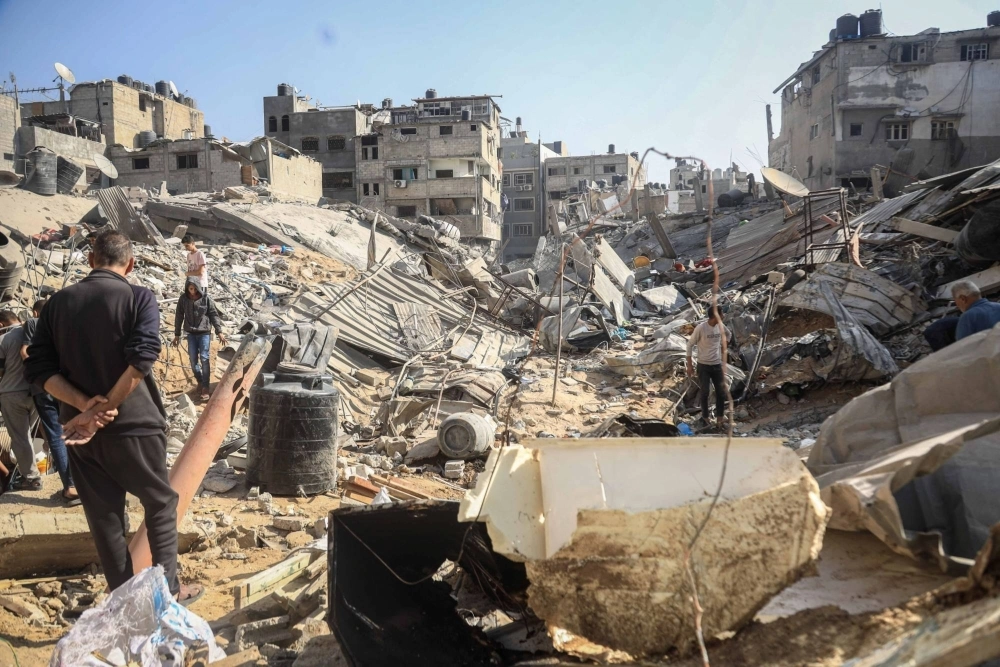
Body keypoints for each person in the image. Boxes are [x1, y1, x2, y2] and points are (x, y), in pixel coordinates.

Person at [25, 230, 202, 605]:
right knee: (159, 502)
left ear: (90, 261)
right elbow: (141, 360)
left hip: (78, 431)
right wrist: (104, 408)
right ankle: (167, 592)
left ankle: (122, 597)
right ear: (131, 264)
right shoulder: (139, 297)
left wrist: (85, 408)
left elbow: (38, 369)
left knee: (104, 515)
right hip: (135, 425)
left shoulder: (57, 303)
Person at [22, 298, 79, 506]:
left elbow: (25, 352)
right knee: (75, 430)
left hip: (44, 385)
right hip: (67, 386)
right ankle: (86, 483)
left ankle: (71, 486)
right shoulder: (66, 324)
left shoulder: (33, 323)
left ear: (36, 313)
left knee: (56, 434)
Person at [0, 310, 42, 492]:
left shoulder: (4, 340)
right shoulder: (36, 333)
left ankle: (32, 478)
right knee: (29, 435)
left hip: (11, 394)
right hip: (35, 392)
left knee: (20, 438)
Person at [173, 278, 226, 400]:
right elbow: (179, 316)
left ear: (198, 287)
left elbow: (213, 314)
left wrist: (219, 332)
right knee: (193, 360)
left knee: (204, 358)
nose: (192, 291)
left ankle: (206, 387)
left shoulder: (206, 298)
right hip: (191, 333)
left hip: (204, 333)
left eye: (194, 288)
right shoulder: (183, 299)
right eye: (190, 289)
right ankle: (200, 381)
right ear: (187, 288)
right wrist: (177, 334)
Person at [685, 309, 732, 429]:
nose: (724, 315)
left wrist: (724, 346)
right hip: (703, 365)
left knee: (721, 393)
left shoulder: (721, 326)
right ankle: (705, 418)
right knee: (705, 392)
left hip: (717, 365)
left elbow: (728, 334)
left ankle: (719, 420)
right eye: (722, 314)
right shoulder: (701, 328)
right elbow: (690, 345)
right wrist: (689, 365)